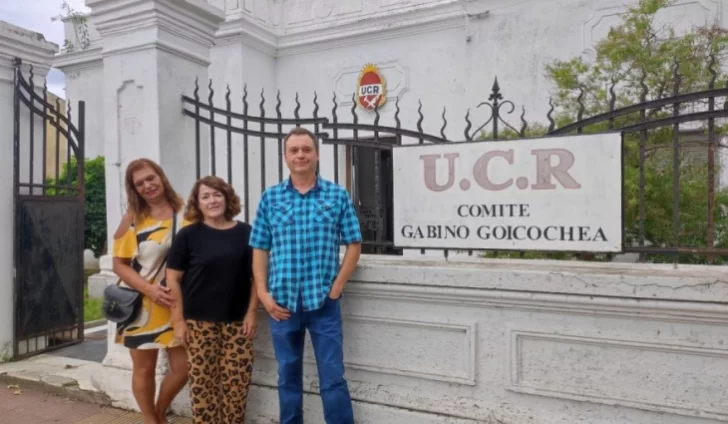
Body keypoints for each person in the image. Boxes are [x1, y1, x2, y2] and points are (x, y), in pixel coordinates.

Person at [250, 127, 363, 424]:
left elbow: (354, 243)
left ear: (316, 154)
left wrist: (336, 287)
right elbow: (260, 247)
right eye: (294, 150)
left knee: (332, 377)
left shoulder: (337, 195)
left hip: (323, 302)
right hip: (282, 304)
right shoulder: (270, 198)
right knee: (287, 375)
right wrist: (262, 293)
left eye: (306, 149)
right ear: (285, 157)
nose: (300, 155)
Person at [165, 175, 258, 424]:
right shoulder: (188, 235)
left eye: (217, 194)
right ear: (197, 203)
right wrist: (178, 321)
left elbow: (257, 278)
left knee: (237, 384)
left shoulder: (246, 233)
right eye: (205, 196)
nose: (212, 200)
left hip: (238, 323)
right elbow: (172, 279)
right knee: (202, 385)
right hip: (198, 322)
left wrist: (251, 313)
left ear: (227, 198)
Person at [111, 158, 190, 424]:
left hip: (177, 305)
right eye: (140, 183)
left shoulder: (187, 213)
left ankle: (159, 413)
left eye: (151, 178)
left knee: (183, 368)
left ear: (161, 177)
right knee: (144, 369)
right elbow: (119, 264)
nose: (147, 185)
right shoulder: (132, 219)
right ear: (134, 189)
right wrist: (150, 290)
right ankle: (151, 420)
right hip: (141, 305)